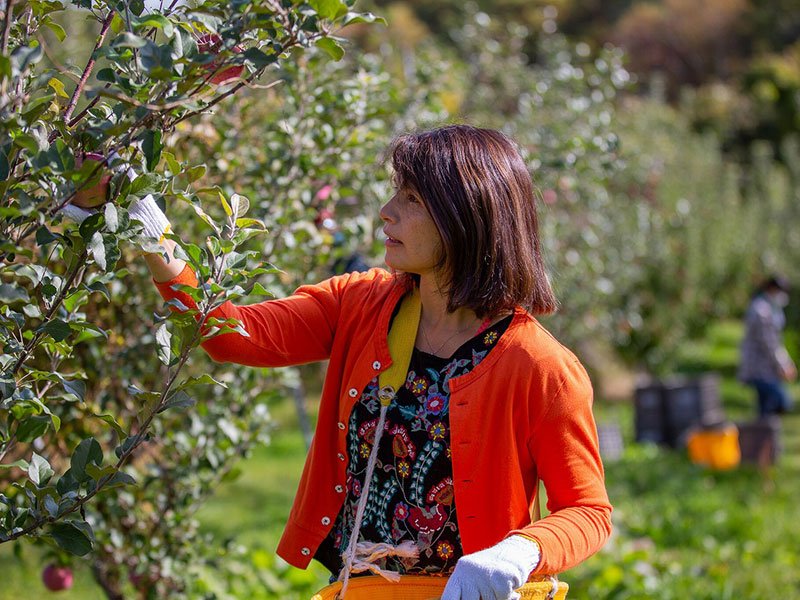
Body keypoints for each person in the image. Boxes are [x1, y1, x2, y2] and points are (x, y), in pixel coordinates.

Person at [67, 125, 612, 599]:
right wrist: (142, 217)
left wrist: (520, 552)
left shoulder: (540, 365)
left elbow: (588, 511)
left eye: (413, 199)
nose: (387, 211)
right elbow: (231, 334)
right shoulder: (362, 303)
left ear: (467, 215)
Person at [739, 275, 796, 417]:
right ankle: (764, 433)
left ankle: (763, 436)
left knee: (765, 406)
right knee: (782, 400)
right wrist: (784, 365)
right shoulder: (762, 311)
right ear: (771, 289)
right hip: (759, 367)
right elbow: (770, 344)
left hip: (766, 367)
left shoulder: (770, 308)